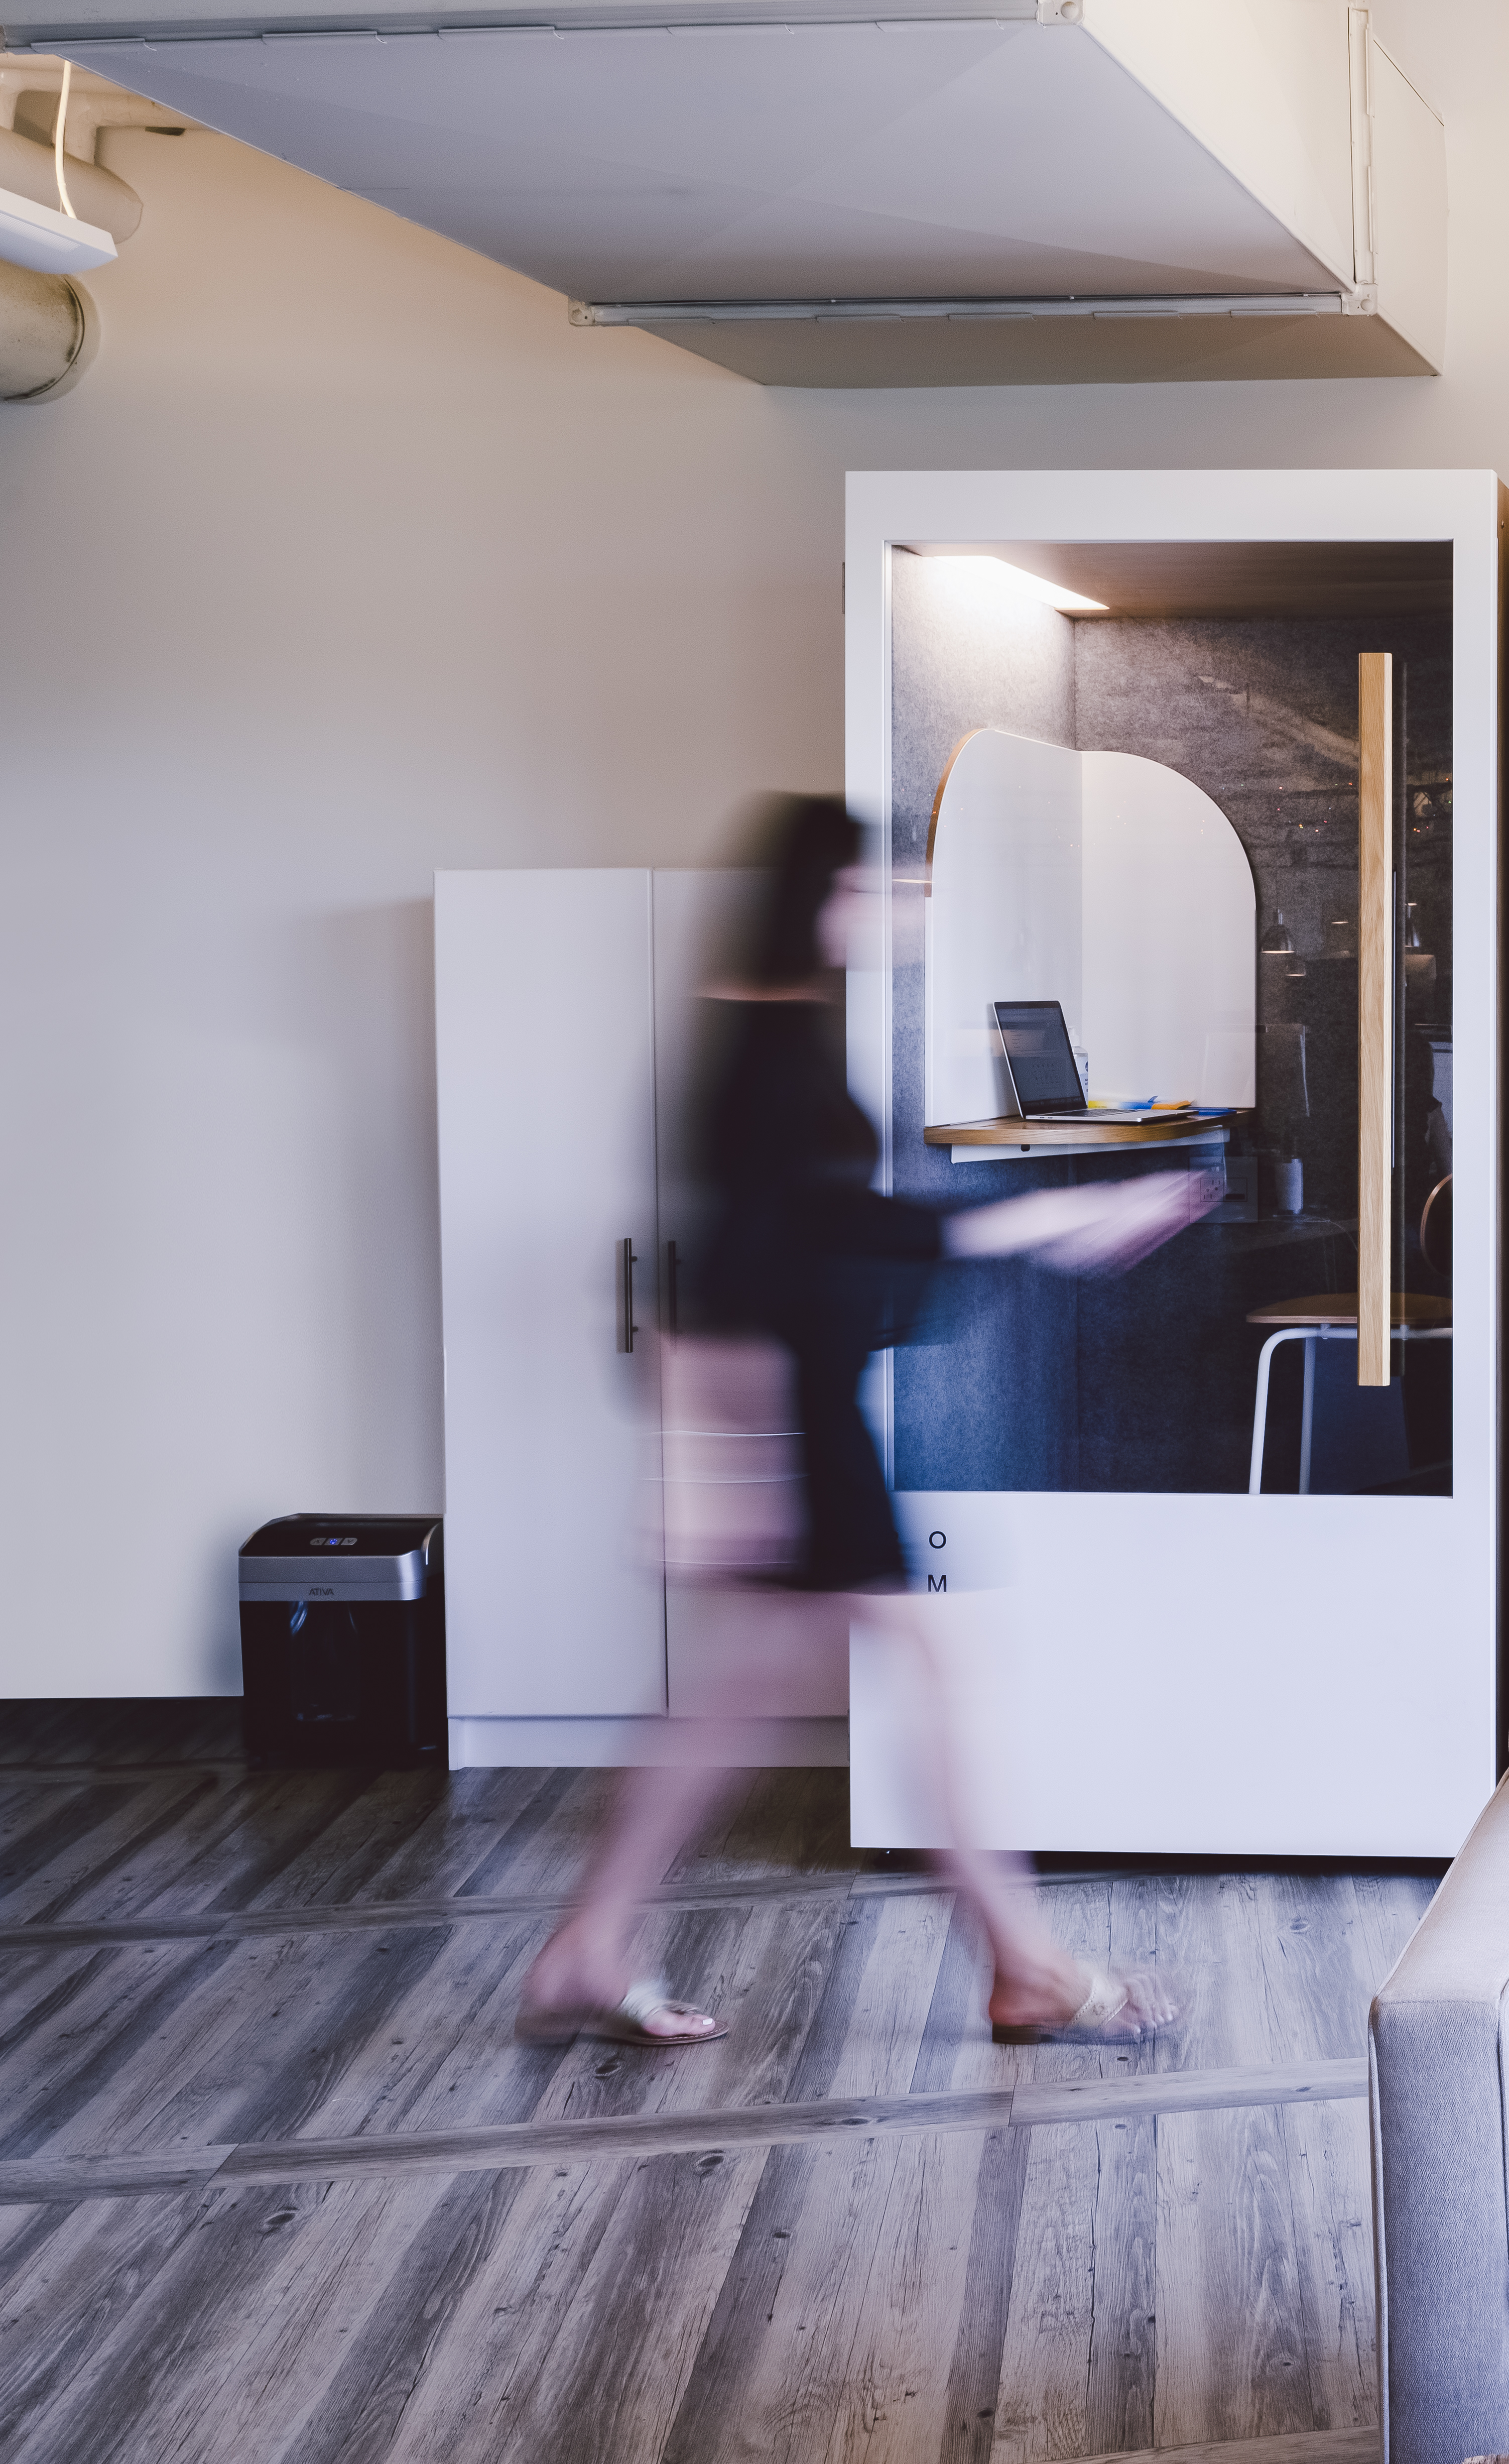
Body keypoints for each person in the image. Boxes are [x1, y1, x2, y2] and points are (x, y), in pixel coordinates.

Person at [516, 797, 1218, 2051]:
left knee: (735, 1694)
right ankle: (1027, 1969)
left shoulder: (770, 1024)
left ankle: (591, 1942)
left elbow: (817, 1233)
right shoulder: (765, 1045)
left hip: (788, 1400)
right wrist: (1049, 1224)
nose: (905, 904)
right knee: (922, 1667)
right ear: (822, 894)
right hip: (791, 1410)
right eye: (882, 884)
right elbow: (813, 1239)